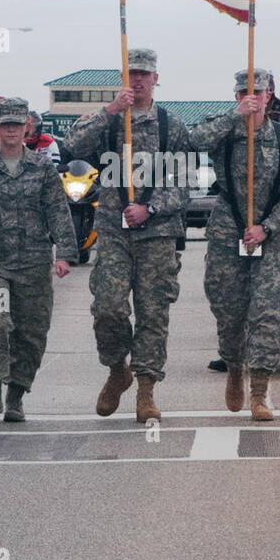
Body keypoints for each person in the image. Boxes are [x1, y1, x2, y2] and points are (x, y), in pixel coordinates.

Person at [62, 48, 190, 423]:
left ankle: (146, 389)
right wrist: (110, 111)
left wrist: (150, 208)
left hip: (158, 234)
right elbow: (72, 146)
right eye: (131, 73)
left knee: (153, 313)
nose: (137, 80)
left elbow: (184, 184)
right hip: (115, 233)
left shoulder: (172, 127)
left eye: (144, 74)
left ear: (155, 79)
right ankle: (118, 369)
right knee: (108, 307)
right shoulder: (110, 123)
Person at [188, 68, 280, 420]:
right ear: (236, 95)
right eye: (244, 92)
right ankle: (234, 367)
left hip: (272, 235)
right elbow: (191, 141)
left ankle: (260, 389)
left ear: (270, 95)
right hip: (229, 229)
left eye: (258, 92)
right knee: (229, 311)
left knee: (267, 313)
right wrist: (235, 117)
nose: (252, 97)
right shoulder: (224, 131)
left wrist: (268, 227)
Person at [0, 95, 77, 422]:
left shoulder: (41, 167)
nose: (11, 130)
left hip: (33, 261)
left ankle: (16, 395)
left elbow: (58, 211)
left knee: (30, 330)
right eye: (5, 125)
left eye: (17, 124)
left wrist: (65, 253)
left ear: (26, 126)